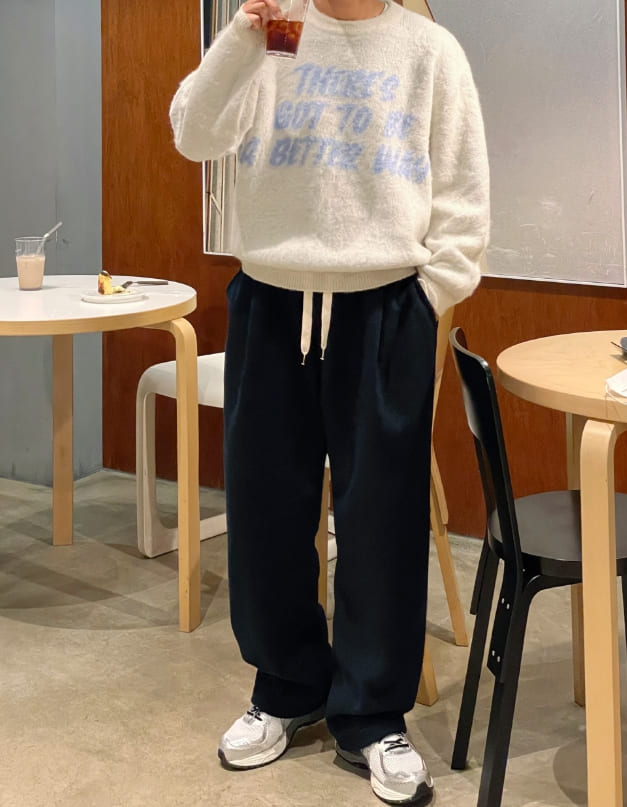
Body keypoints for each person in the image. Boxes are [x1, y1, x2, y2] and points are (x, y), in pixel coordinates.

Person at [170, 0, 489, 802]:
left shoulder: (428, 50)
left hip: (384, 308)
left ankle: (373, 713)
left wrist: (426, 299)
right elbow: (193, 134)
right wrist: (241, 38)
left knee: (381, 518)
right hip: (269, 299)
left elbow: (462, 191)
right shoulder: (269, 34)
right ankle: (284, 687)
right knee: (264, 510)